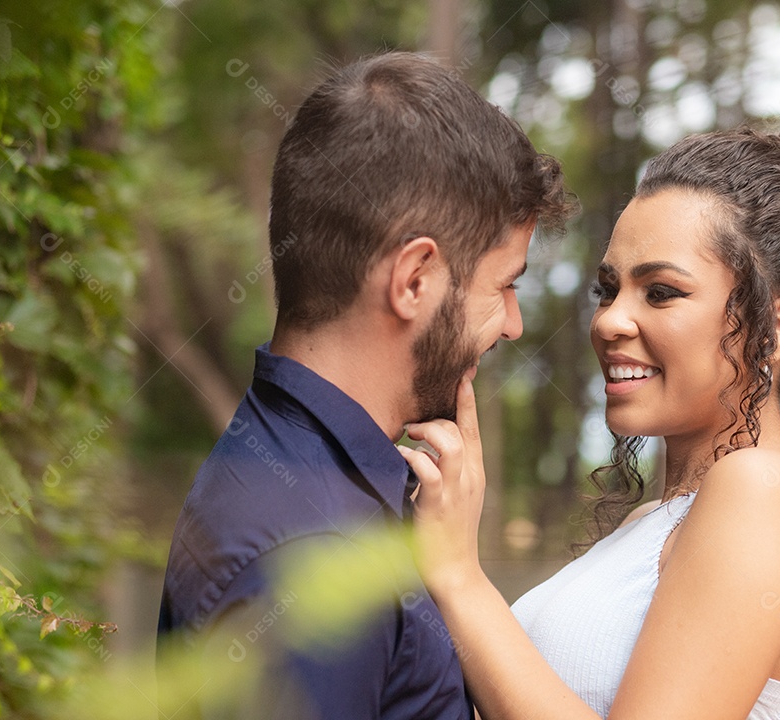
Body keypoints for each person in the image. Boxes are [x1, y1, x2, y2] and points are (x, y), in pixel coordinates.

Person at [402, 111, 780, 719]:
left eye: (660, 291)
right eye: (607, 289)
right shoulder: (660, 520)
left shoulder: (762, 491)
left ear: (775, 329)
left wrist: (457, 574)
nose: (609, 320)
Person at [156, 51, 574, 719]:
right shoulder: (312, 559)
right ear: (414, 281)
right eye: (505, 285)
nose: (515, 326)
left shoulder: (311, 479)